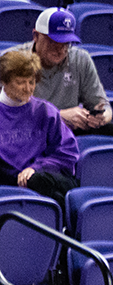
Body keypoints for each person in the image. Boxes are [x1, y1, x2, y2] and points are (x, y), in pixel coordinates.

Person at [26, 8, 113, 140]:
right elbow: (9, 114)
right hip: (33, 130)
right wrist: (58, 116)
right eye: (53, 42)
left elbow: (101, 104)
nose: (60, 49)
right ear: (36, 36)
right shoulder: (14, 62)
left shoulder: (81, 59)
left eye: (65, 43)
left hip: (70, 130)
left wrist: (101, 117)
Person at [0, 47, 78, 201]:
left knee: (39, 182)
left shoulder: (45, 111)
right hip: (8, 181)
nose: (28, 89)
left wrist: (36, 168)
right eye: (20, 83)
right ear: (4, 82)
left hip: (43, 177)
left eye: (31, 82)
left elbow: (68, 152)